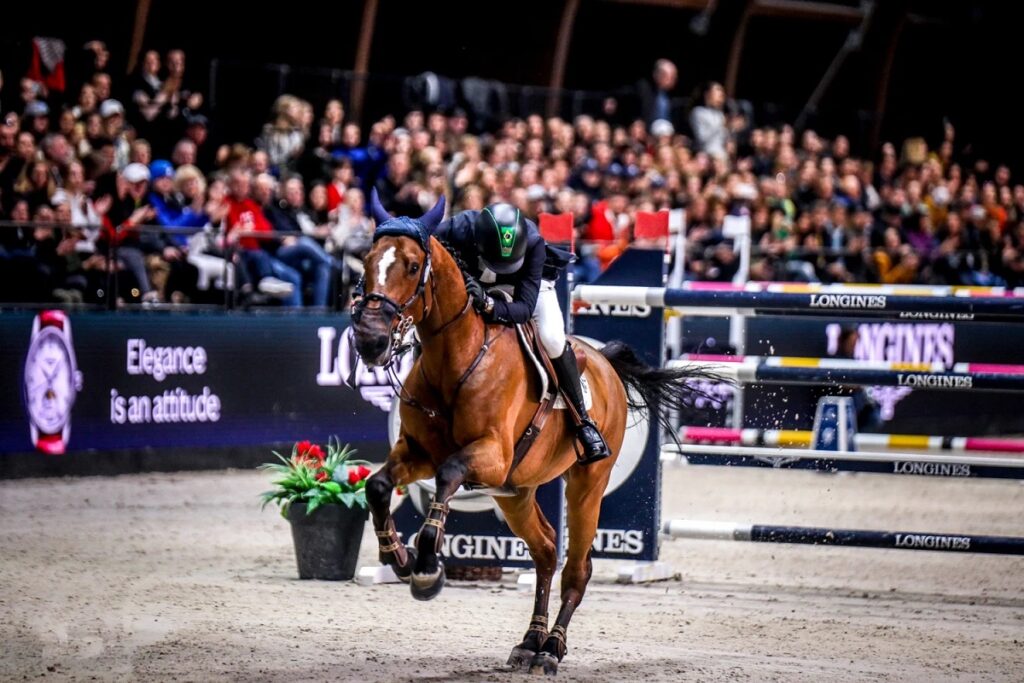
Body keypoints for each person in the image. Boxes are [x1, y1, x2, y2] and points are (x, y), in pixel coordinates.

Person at [431, 200, 610, 464]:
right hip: (473, 284)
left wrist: (490, 305)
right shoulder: (456, 229)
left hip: (526, 288)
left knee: (551, 338)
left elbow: (525, 309)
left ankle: (583, 421)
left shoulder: (533, 242)